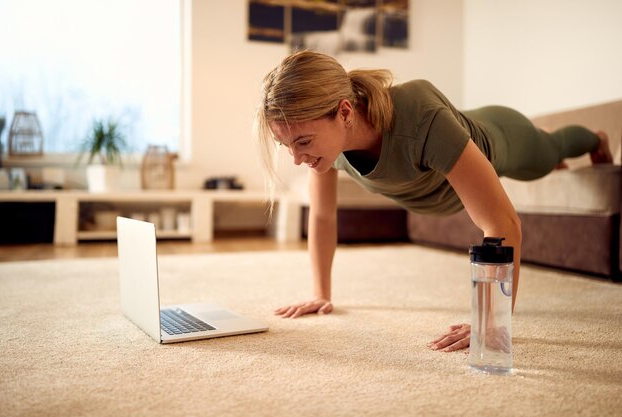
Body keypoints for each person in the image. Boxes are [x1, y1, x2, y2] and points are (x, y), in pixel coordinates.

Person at [254, 50, 613, 353]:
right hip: (454, 150)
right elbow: (322, 217)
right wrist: (320, 293)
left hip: (504, 138)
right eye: (285, 145)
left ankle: (594, 139)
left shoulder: (422, 118)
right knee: (547, 157)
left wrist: (490, 322)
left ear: (345, 113)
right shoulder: (328, 146)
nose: (296, 158)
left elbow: (502, 224)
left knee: (550, 152)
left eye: (302, 142)